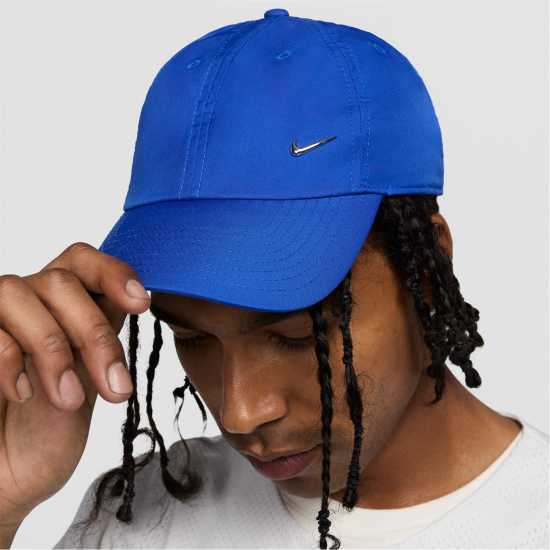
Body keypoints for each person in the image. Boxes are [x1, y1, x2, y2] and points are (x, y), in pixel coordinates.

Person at [0, 7, 547, 550]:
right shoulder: (144, 516)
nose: (240, 412)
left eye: (295, 337)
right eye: (192, 337)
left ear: (426, 272)